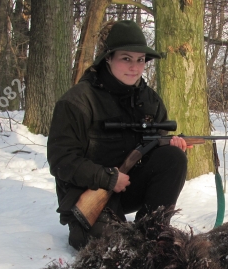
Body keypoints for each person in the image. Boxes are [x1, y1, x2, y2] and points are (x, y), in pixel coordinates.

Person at [47, 20, 188, 250]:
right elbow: (61, 161)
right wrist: (107, 178)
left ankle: (152, 229)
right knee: (115, 250)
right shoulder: (77, 102)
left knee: (174, 158)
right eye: (126, 58)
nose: (135, 66)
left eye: (140, 60)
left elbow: (157, 143)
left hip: (128, 187)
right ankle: (89, 228)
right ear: (108, 58)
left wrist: (171, 145)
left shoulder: (150, 100)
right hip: (86, 192)